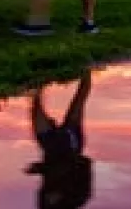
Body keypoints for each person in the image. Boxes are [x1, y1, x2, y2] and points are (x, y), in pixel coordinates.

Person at [27, 69, 95, 209]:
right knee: (79, 98)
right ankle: (86, 64)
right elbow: (85, 162)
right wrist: (46, 168)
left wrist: (40, 169)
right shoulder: (79, 197)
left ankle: (41, 72)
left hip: (50, 147)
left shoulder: (44, 205)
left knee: (35, 108)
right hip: (70, 145)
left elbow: (48, 177)